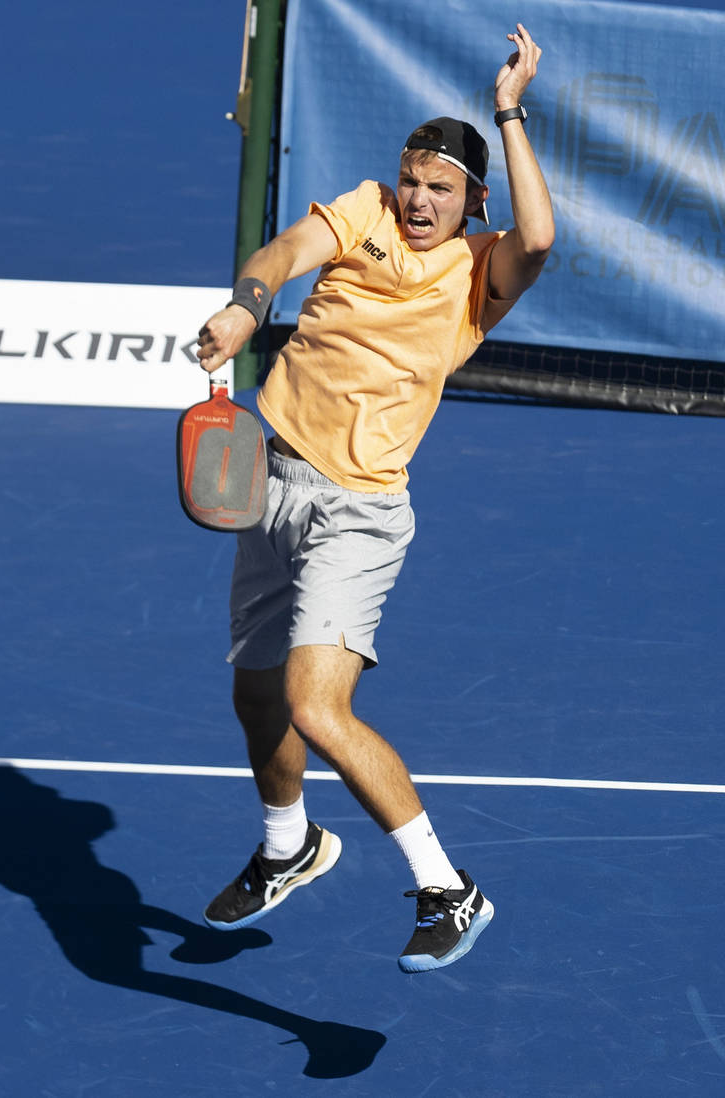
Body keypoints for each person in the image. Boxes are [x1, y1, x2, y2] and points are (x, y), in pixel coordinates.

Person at [194, 24, 553, 973]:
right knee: (255, 697)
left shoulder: (482, 276)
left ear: (473, 201)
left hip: (358, 514)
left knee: (318, 707)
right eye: (412, 179)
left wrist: (508, 110)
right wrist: (245, 303)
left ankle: (449, 887)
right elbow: (280, 253)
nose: (419, 198)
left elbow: (544, 235)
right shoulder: (363, 211)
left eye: (441, 188)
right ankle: (290, 848)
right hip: (271, 483)